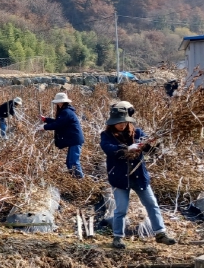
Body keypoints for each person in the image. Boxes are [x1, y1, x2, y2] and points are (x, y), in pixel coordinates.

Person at [100, 105, 176, 249]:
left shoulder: (137, 132)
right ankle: (118, 237)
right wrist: (127, 148)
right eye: (118, 122)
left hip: (139, 176)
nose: (122, 125)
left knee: (152, 204)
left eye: (124, 122)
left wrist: (152, 144)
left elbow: (150, 149)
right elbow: (108, 148)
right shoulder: (106, 135)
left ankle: (161, 234)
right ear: (112, 123)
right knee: (121, 209)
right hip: (120, 178)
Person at [38, 92, 85, 178]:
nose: (56, 103)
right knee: (69, 162)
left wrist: (44, 127)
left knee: (73, 162)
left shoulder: (66, 112)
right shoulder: (66, 111)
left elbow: (58, 124)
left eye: (57, 101)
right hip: (74, 139)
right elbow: (58, 122)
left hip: (75, 140)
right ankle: (76, 179)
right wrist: (46, 120)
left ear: (61, 102)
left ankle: (80, 180)